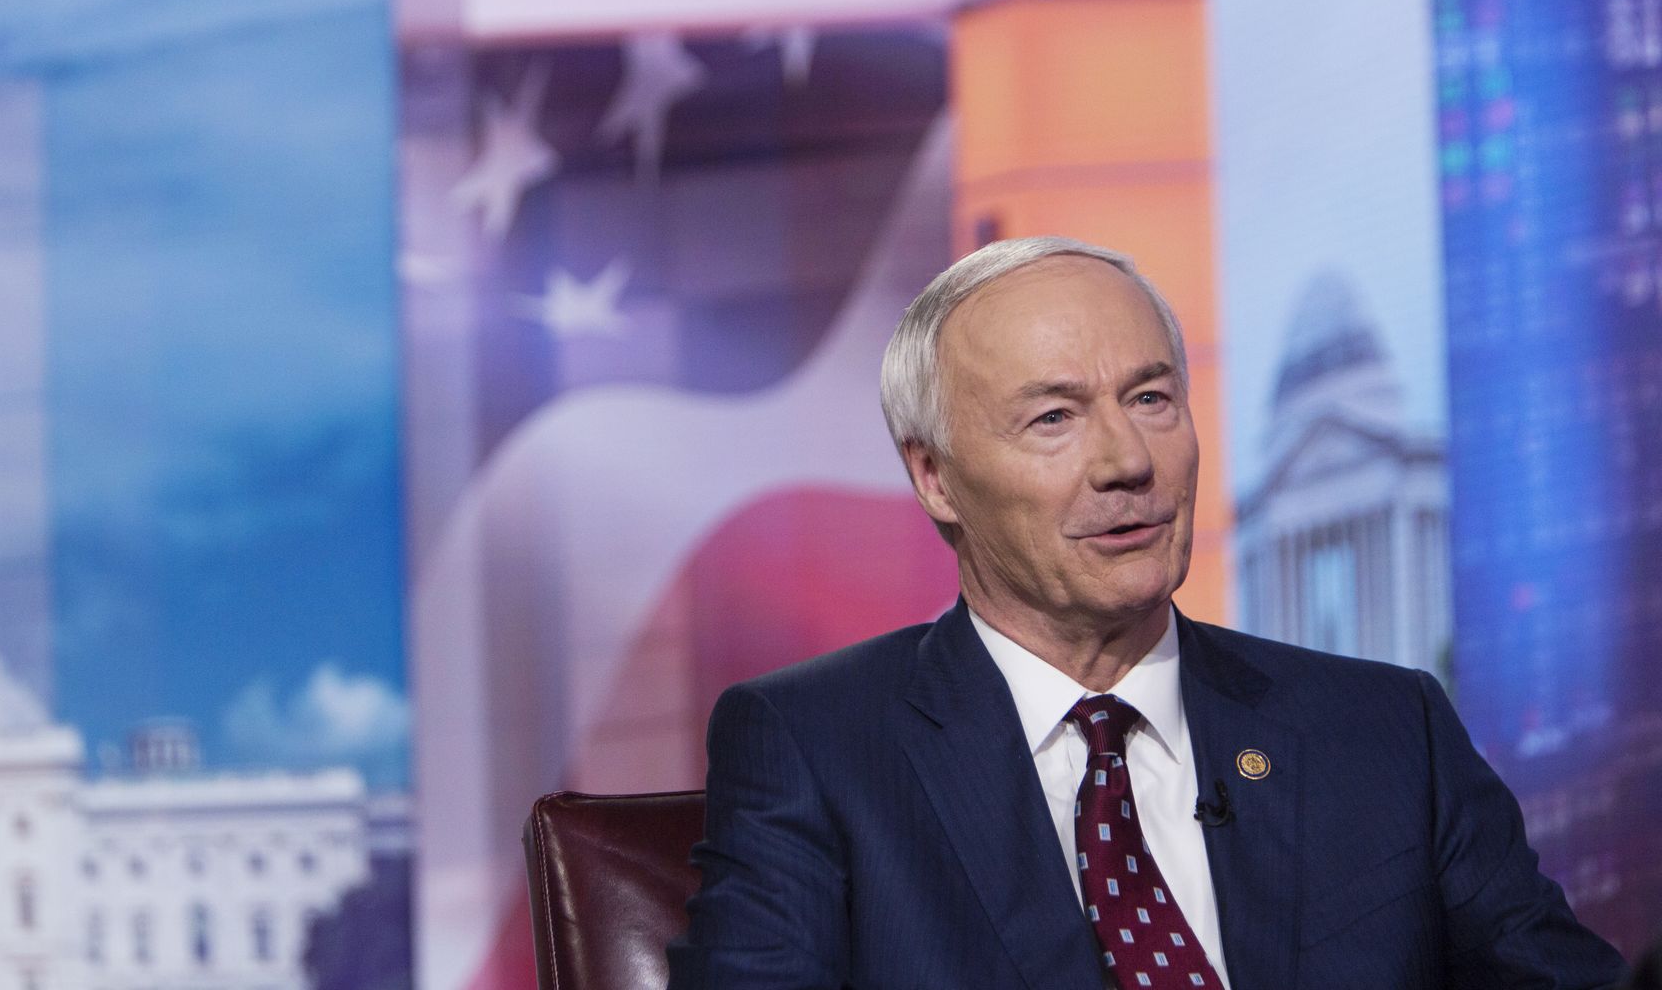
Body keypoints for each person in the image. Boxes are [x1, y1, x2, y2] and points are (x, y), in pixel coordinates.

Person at [666, 237, 1628, 989]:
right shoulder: (820, 748)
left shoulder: (1384, 731)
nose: (1128, 460)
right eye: (1054, 418)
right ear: (934, 477)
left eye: (1152, 397)